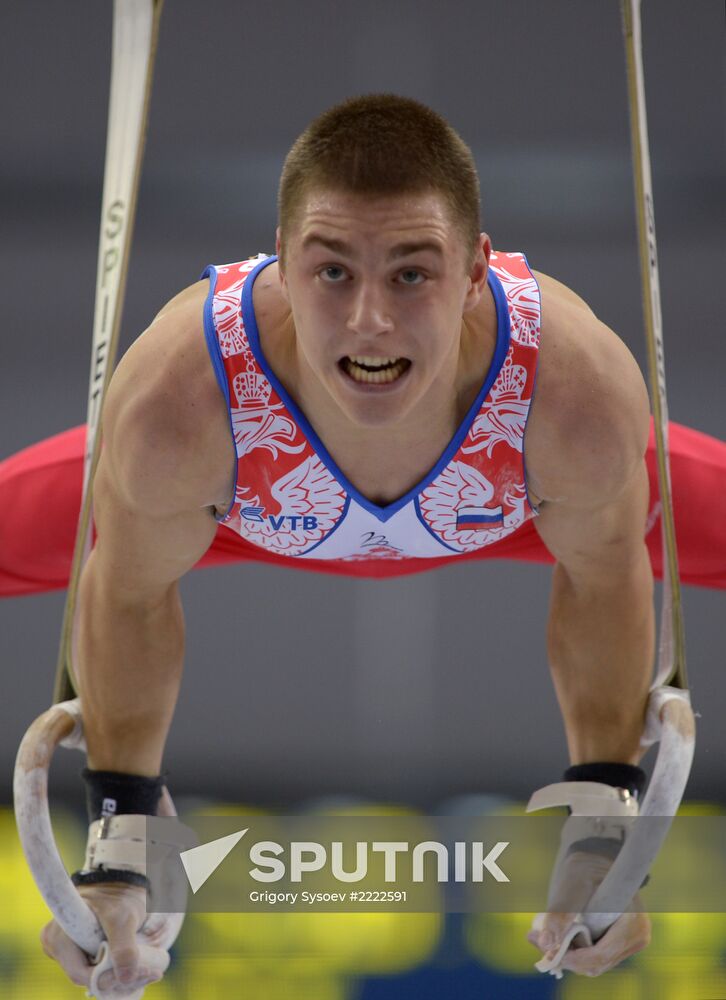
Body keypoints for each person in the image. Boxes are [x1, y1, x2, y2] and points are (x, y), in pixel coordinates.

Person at [33, 92, 689, 989]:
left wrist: (605, 819)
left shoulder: (573, 393)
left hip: (519, 500)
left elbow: (605, 575)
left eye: (412, 273)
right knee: (109, 500)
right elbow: (131, 592)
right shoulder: (178, 408)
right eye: (333, 272)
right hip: (233, 507)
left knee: (641, 491)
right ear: (281, 266)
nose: (370, 321)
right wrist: (123, 834)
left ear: (474, 272)